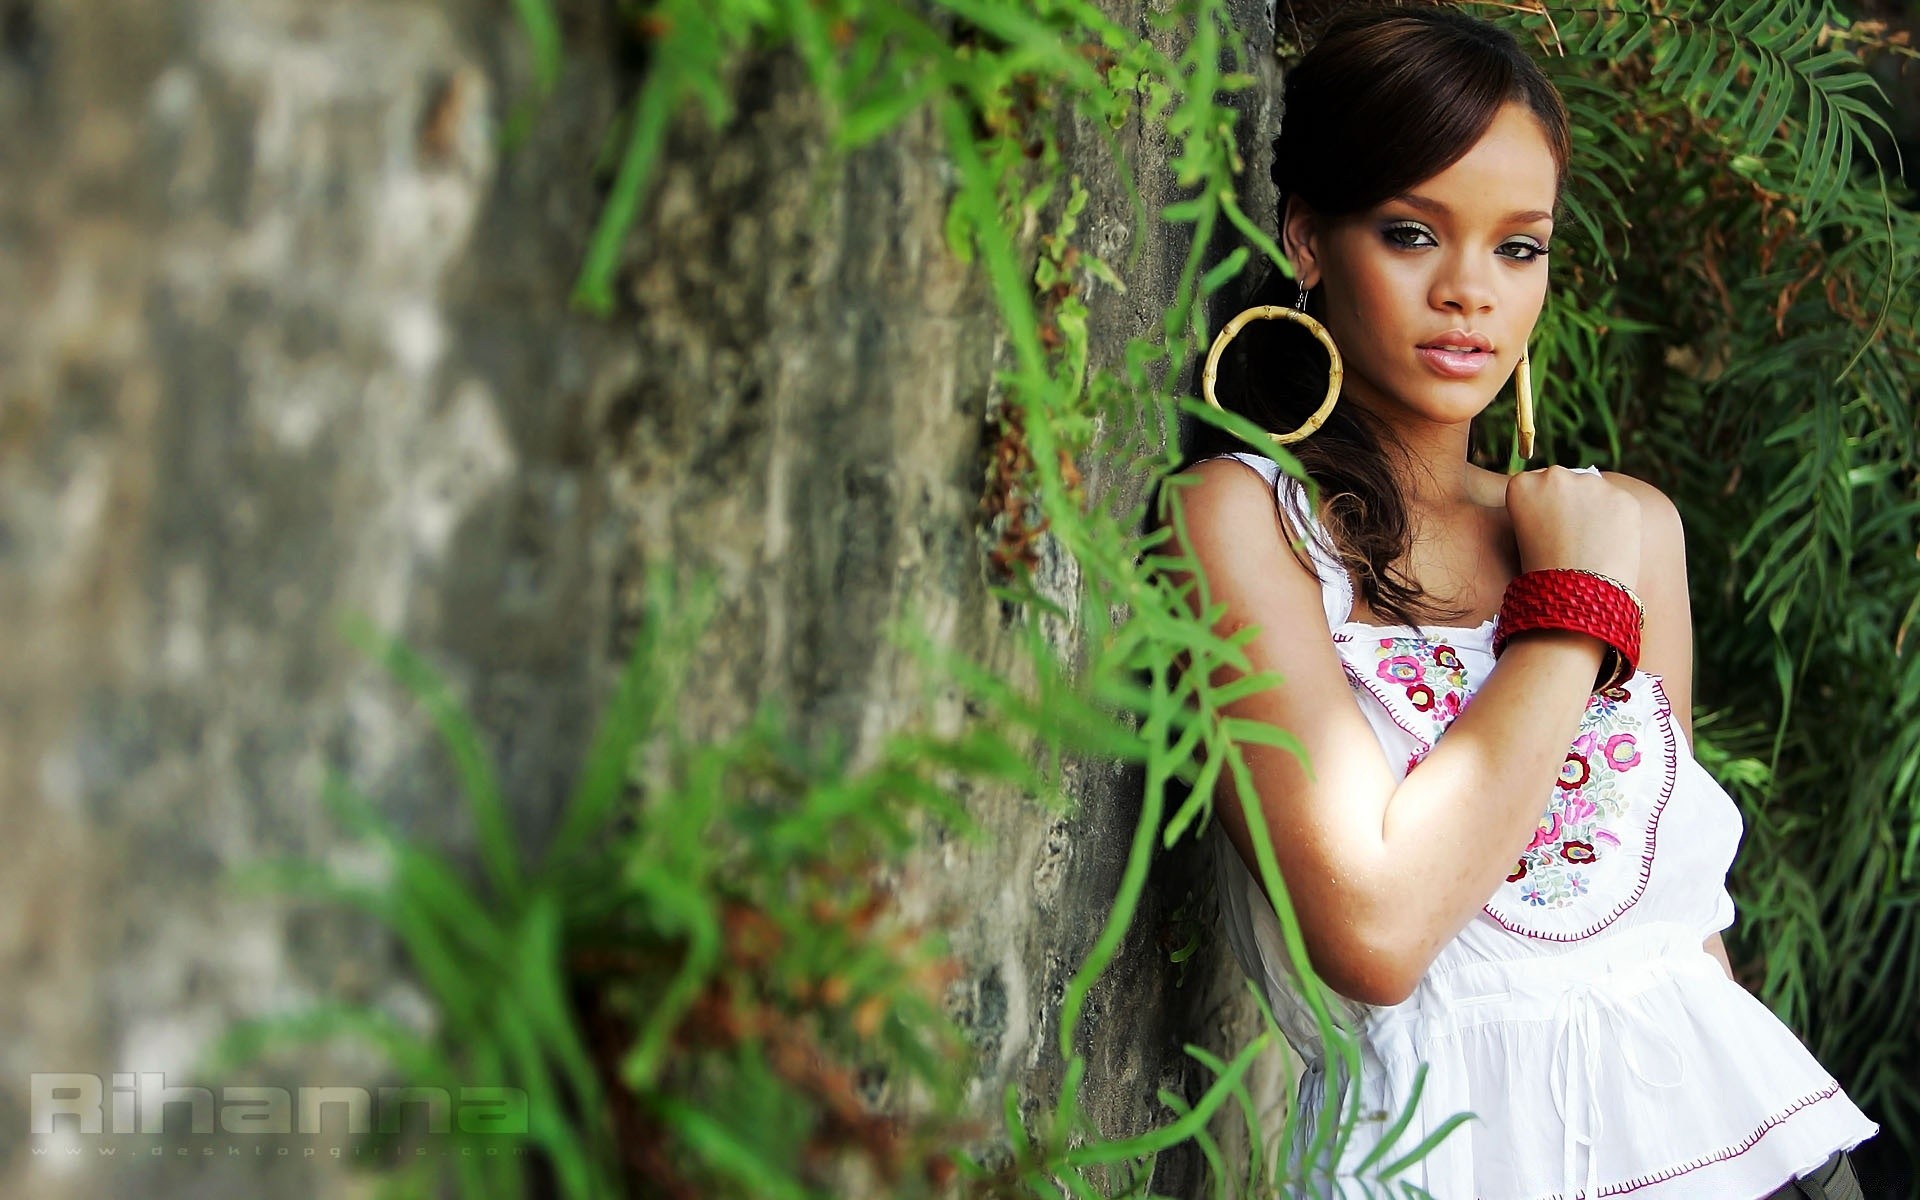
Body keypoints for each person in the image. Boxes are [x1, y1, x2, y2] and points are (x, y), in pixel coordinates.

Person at [1155, 7, 1880, 1198]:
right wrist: (1572, 607)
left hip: (1752, 1152)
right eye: (1410, 232)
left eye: (1518, 247)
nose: (1469, 293)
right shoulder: (1243, 525)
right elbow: (1377, 933)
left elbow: (1681, 915)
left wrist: (1592, 567)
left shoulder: (1630, 526)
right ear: (1308, 239)